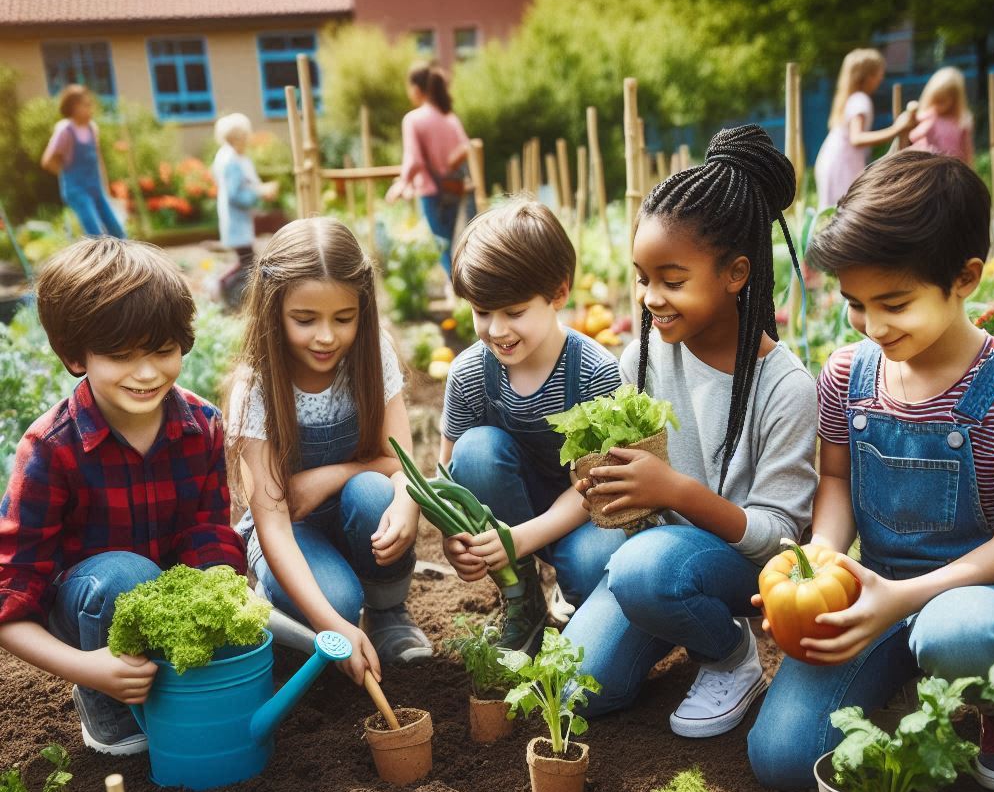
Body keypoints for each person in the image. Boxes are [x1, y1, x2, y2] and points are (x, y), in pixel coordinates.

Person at [748, 152, 994, 792]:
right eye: (854, 304)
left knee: (958, 633)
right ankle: (904, 675)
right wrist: (818, 564)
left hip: (985, 598)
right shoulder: (848, 375)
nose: (872, 326)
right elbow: (837, 483)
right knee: (783, 758)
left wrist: (904, 599)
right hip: (878, 590)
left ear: (965, 278)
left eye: (894, 303)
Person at [563, 125, 819, 734]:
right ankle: (677, 622)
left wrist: (674, 491)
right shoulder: (642, 360)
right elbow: (634, 489)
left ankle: (730, 655)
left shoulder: (785, 388)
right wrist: (607, 486)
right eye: (643, 277)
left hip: (740, 571)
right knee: (573, 690)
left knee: (642, 571)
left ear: (735, 274)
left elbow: (783, 541)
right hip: (657, 555)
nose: (651, 297)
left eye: (672, 280)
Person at [0, 238, 245, 754]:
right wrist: (90, 667)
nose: (147, 372)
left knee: (222, 571)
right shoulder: (52, 449)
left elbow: (207, 532)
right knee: (126, 578)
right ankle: (104, 700)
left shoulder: (202, 426)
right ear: (74, 355)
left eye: (162, 351)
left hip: (170, 597)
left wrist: (223, 591)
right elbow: (10, 597)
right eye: (121, 356)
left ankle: (174, 680)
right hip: (90, 607)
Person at [225, 217, 431, 675]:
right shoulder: (257, 386)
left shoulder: (372, 356)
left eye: (344, 318)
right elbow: (274, 523)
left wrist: (337, 478)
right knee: (337, 600)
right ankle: (291, 599)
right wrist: (332, 625)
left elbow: (400, 465)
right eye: (305, 319)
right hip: (289, 534)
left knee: (376, 494)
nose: (325, 336)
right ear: (274, 310)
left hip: (354, 515)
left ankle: (387, 613)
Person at [439, 199, 625, 651]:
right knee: (477, 449)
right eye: (482, 312)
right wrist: (453, 538)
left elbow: (596, 485)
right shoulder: (469, 373)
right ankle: (523, 599)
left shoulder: (595, 372)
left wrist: (518, 538)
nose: (496, 329)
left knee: (592, 567)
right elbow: (447, 472)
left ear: (558, 294)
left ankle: (573, 594)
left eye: (515, 312)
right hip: (508, 505)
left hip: (582, 511)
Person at [386, 63, 473, 278]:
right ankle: (460, 292)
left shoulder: (413, 119)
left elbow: (413, 160)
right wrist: (448, 166)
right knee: (451, 244)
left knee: (441, 247)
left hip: (431, 190)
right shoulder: (449, 117)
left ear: (416, 88)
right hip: (453, 187)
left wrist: (401, 184)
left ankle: (460, 292)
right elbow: (465, 148)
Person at [814, 49, 914, 208]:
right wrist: (897, 129)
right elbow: (857, 138)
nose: (881, 78)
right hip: (842, 164)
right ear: (868, 76)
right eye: (879, 73)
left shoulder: (851, 98)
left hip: (833, 160)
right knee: (846, 212)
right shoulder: (860, 100)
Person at [211, 113, 279, 308]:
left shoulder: (229, 156)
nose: (248, 140)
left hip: (237, 220)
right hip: (236, 221)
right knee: (248, 262)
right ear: (236, 137)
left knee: (245, 260)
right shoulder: (231, 161)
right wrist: (259, 194)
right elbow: (235, 195)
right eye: (245, 136)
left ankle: (225, 289)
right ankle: (223, 288)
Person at [40, 84, 126, 238]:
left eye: (90, 105)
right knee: (95, 232)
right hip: (77, 190)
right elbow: (48, 161)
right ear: (73, 107)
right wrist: (69, 176)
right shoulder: (65, 130)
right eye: (85, 106)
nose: (90, 109)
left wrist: (105, 186)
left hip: (95, 187)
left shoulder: (92, 128)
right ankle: (97, 261)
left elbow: (98, 159)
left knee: (116, 229)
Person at [909, 67, 974, 164]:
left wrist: (969, 168)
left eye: (942, 101)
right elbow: (913, 136)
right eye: (935, 101)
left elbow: (967, 149)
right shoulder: (928, 116)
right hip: (928, 164)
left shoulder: (961, 121)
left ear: (954, 101)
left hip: (952, 166)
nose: (937, 106)